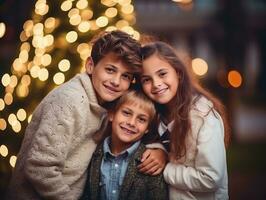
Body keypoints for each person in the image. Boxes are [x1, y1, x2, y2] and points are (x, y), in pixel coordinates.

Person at [6, 30, 144, 200]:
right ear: (90, 66)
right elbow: (39, 168)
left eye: (125, 76)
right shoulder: (68, 102)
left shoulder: (108, 105)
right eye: (110, 70)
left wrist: (159, 150)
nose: (116, 81)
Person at [140, 41, 230, 200]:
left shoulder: (202, 116)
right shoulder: (156, 115)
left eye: (162, 74)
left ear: (178, 73)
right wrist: (159, 151)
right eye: (146, 79)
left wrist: (165, 168)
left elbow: (210, 177)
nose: (156, 84)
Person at [80, 90, 168, 200]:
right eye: (126, 113)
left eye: (141, 119)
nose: (131, 123)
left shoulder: (150, 162)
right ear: (112, 114)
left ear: (147, 128)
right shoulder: (94, 152)